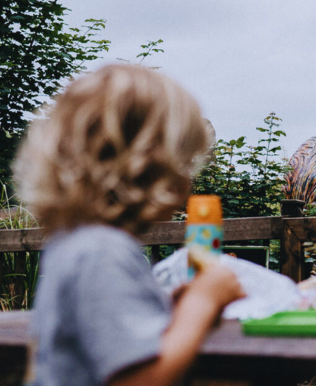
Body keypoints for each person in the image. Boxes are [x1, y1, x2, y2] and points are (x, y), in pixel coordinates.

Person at [13, 64, 244, 386]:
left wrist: (167, 305)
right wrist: (201, 302)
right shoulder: (102, 252)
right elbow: (142, 380)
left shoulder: (75, 242)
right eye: (184, 161)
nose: (188, 178)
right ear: (151, 166)